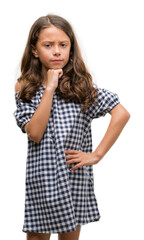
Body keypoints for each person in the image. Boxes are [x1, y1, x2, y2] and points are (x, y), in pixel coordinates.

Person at [13, 14, 130, 240]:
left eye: (63, 45)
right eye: (48, 45)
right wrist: (49, 88)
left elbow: (121, 113)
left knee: (69, 236)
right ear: (35, 50)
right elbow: (35, 133)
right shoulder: (25, 88)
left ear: (70, 48)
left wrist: (96, 155)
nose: (57, 51)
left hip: (73, 175)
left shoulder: (81, 88)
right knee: (37, 236)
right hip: (42, 179)